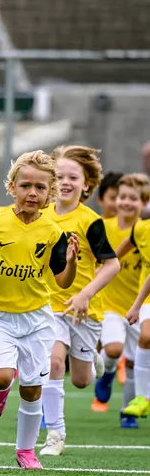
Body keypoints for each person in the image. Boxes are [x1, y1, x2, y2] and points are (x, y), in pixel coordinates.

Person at [0, 150, 78, 469]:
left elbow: (62, 282)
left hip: (38, 319)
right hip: (0, 314)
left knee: (32, 389)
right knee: (1, 378)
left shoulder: (53, 232)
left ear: (50, 192)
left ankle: (25, 451)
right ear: (12, 186)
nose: (32, 192)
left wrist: (70, 263)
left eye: (40, 187)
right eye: (26, 185)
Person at [39, 146, 120, 457]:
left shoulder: (90, 221)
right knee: (53, 362)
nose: (65, 182)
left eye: (73, 177)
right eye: (59, 176)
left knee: (82, 380)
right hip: (48, 307)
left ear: (87, 185)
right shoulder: (41, 216)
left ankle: (93, 359)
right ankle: (55, 435)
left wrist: (86, 294)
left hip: (84, 311)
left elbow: (112, 264)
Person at [92, 174, 148, 426]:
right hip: (109, 305)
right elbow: (100, 260)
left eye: (132, 199)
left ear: (143, 203)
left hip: (138, 306)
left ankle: (128, 411)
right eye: (121, 197)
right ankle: (108, 373)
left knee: (137, 360)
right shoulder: (104, 227)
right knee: (113, 349)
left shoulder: (143, 230)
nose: (125, 203)